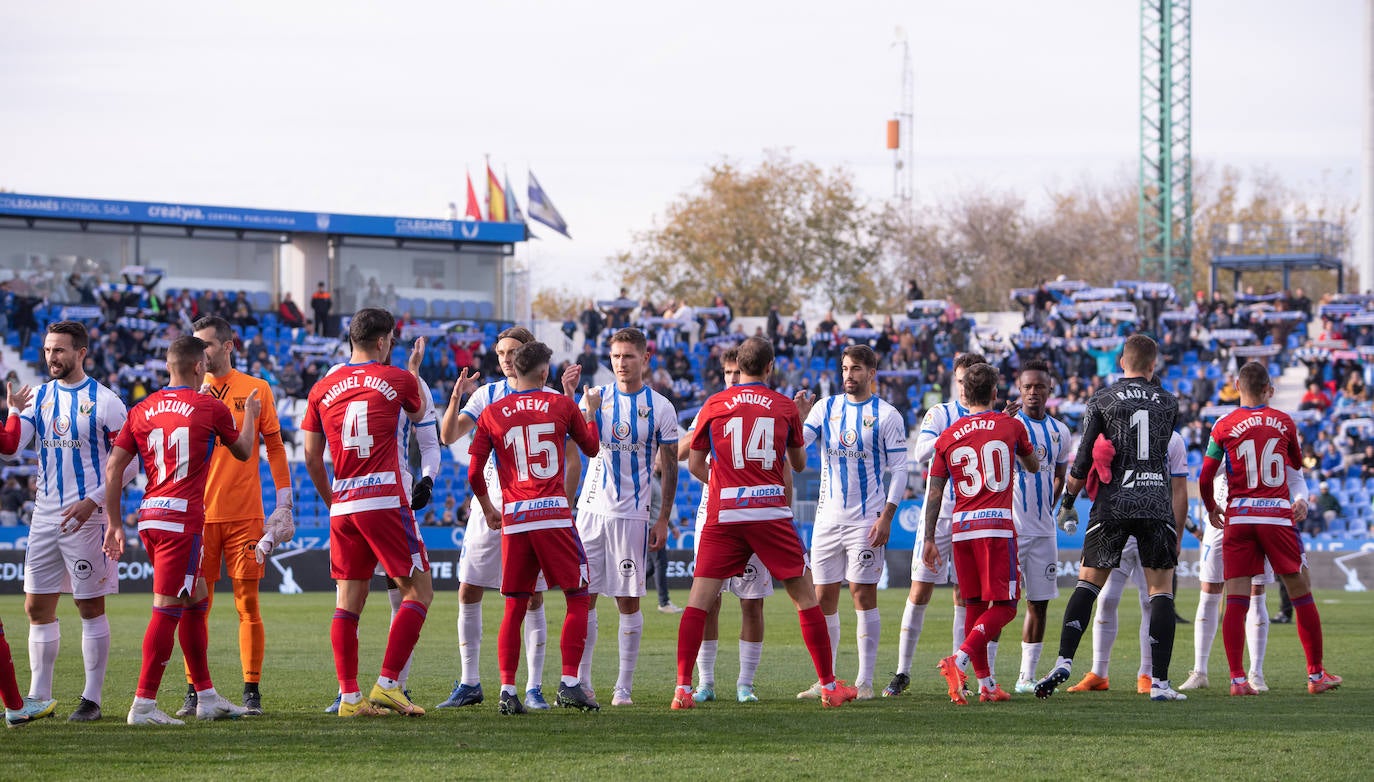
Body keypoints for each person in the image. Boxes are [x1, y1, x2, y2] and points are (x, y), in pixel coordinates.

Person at [673, 337, 857, 710]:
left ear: (738, 366)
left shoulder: (714, 404)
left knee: (699, 601)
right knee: (804, 598)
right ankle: (828, 684)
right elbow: (800, 464)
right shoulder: (783, 406)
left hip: (724, 514)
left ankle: (681, 689)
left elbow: (693, 464)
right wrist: (800, 419)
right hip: (770, 513)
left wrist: (724, 484)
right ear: (770, 366)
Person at [103, 334, 260, 725]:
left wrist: (114, 524)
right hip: (181, 522)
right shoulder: (209, 406)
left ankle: (206, 696)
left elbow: (113, 469)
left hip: (151, 517)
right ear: (197, 367)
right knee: (166, 610)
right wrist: (253, 414)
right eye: (204, 362)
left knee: (196, 599)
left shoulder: (142, 409)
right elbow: (242, 451)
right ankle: (143, 704)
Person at [1036, 334, 1187, 702]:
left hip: (1113, 502)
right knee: (1160, 592)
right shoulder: (1169, 402)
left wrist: (1068, 500)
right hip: (1154, 501)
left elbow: (1084, 456)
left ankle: (1065, 660)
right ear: (1153, 365)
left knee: (1088, 584)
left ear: (1121, 362)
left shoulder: (1102, 399)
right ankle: (1160, 684)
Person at [436, 326, 577, 711]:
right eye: (500, 353)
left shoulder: (551, 398)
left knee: (532, 596)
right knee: (469, 588)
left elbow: (574, 457)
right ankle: (469, 682)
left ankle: (532, 688)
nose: (505, 359)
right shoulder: (486, 395)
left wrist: (564, 504)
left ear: (528, 353)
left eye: (512, 351)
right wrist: (455, 398)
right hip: (492, 506)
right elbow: (449, 436)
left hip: (534, 510)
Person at [300, 308, 431, 717]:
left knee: (348, 602)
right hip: (384, 499)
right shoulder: (397, 379)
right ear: (381, 341)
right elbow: (419, 417)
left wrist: (331, 498)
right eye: (390, 339)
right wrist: (410, 373)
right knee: (419, 591)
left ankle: (350, 698)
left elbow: (310, 456)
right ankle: (389, 684)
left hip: (344, 504)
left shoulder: (322, 387)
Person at [0, 321, 132, 723]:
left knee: (89, 607)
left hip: (86, 521)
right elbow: (9, 450)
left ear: (81, 353)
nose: (51, 357)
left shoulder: (107, 401)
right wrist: (10, 410)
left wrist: (93, 503)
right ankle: (39, 697)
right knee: (36, 608)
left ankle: (91, 699)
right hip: (44, 518)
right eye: (46, 350)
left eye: (59, 350)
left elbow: (128, 466)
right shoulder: (37, 397)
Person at [467, 341, 604, 714]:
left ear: (515, 368)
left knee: (514, 604)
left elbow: (473, 472)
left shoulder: (493, 412)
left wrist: (489, 507)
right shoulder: (560, 404)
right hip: (554, 515)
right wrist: (588, 412)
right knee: (577, 595)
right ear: (545, 373)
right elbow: (590, 448)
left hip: (516, 518)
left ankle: (508, 691)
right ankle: (570, 684)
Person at [170, 316, 295, 718]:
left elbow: (274, 446)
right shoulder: (190, 391)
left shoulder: (256, 388)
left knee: (248, 603)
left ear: (228, 345)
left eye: (206, 345)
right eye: (196, 346)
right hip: (198, 517)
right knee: (195, 607)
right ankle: (195, 690)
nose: (200, 353)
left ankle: (251, 690)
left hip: (244, 515)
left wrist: (284, 500)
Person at [1199, 361, 1341, 695]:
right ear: (1269, 390)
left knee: (1235, 598)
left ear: (1237, 385)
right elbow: (1294, 467)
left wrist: (1210, 507)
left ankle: (1237, 680)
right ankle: (1316, 675)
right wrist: (1299, 497)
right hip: (1276, 517)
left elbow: (1205, 477)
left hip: (1240, 517)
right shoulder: (1285, 422)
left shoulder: (1224, 425)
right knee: (1301, 593)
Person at [794, 345, 908, 701]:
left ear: (871, 373)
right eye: (845, 368)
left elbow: (901, 470)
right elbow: (798, 449)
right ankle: (826, 680)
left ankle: (864, 681)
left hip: (866, 520)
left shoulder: (887, 415)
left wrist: (887, 516)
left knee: (862, 594)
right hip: (827, 519)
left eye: (856, 369)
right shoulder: (825, 407)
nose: (848, 375)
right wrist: (797, 421)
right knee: (823, 597)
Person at [574, 328, 678, 707]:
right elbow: (582, 451)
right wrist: (584, 409)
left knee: (627, 601)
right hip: (589, 513)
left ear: (645, 359)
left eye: (628, 356)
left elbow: (670, 468)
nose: (621, 363)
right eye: (616, 356)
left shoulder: (662, 408)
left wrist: (662, 518)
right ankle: (580, 683)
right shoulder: (596, 401)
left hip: (631, 515)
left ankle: (623, 688)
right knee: (583, 597)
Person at [924, 363, 1037, 704]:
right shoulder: (1011, 426)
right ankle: (958, 659)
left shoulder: (948, 435)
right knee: (1006, 606)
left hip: (961, 530)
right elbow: (1031, 465)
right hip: (996, 526)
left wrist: (929, 538)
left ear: (964, 394)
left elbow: (934, 492)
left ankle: (986, 684)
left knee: (974, 604)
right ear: (994, 393)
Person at [883, 352, 988, 698]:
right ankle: (901, 672)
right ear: (954, 381)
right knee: (919, 591)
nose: (963, 387)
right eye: (959, 381)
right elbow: (920, 452)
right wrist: (959, 434)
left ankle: (960, 672)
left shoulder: (991, 418)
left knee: (965, 595)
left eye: (968, 381)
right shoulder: (940, 413)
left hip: (973, 517)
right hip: (940, 517)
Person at [679, 347, 775, 705]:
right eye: (728, 373)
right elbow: (682, 454)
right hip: (714, 515)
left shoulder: (766, 410)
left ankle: (745, 684)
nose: (733, 379)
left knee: (752, 603)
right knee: (709, 601)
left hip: (757, 513)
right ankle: (706, 683)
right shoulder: (713, 407)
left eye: (738, 373)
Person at [1065, 430, 1189, 695]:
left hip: (1152, 528)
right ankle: (1099, 672)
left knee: (1150, 601)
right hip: (1117, 526)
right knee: (1107, 598)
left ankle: (1147, 673)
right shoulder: (1115, 429)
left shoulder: (1172, 438)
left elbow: (1179, 490)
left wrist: (1176, 535)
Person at [1179, 469, 1277, 693]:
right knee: (1210, 587)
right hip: (1223, 514)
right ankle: (1200, 671)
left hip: (1260, 513)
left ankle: (1256, 673)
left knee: (1256, 589)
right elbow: (1208, 469)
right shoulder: (1221, 431)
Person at [1008, 360, 1073, 694]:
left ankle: (1025, 677)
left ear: (1050, 390)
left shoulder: (1060, 432)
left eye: (1040, 387)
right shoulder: (1005, 426)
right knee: (1000, 603)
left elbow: (1061, 474)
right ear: (1019, 389)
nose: (1034, 393)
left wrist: (1051, 506)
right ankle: (985, 677)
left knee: (1039, 602)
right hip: (1010, 529)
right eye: (1028, 387)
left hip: (1044, 531)